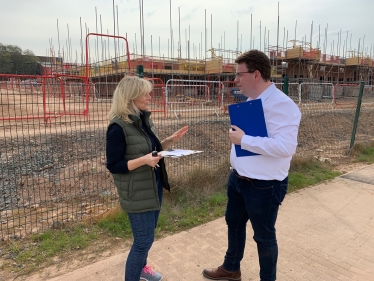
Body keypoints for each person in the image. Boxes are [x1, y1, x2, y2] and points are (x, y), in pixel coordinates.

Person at [202, 50, 301, 281]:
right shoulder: (249, 102)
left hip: (265, 186)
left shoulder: (283, 106)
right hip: (239, 179)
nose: (235, 79)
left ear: (256, 75)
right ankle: (231, 268)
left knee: (264, 237)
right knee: (233, 224)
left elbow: (286, 147)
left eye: (239, 74)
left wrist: (244, 140)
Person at [106, 75, 188, 281]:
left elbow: (152, 151)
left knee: (147, 238)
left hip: (153, 187)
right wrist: (143, 160)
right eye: (146, 93)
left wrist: (170, 141)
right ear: (131, 97)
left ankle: (142, 269)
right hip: (137, 192)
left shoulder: (142, 120)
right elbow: (114, 166)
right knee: (142, 241)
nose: (150, 97)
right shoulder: (118, 127)